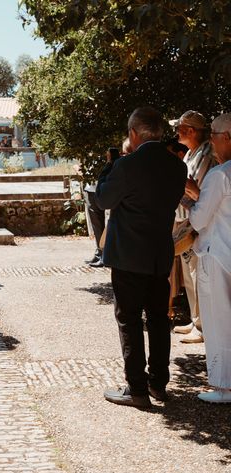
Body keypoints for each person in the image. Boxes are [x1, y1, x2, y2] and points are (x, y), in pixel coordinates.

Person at [97, 107, 186, 408]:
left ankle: (136, 389)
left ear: (133, 134)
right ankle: (159, 384)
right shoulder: (177, 167)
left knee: (130, 320)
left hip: (128, 255)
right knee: (160, 321)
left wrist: (109, 168)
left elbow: (103, 199)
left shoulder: (127, 166)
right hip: (160, 253)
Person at [185, 113, 231, 403]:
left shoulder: (220, 174)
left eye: (213, 134)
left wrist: (191, 199)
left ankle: (223, 385)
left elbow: (200, 220)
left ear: (226, 137)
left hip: (217, 254)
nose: (210, 139)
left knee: (218, 321)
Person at [171, 110, 216, 344]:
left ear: (191, 131)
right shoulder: (191, 153)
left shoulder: (206, 154)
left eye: (179, 127)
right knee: (190, 273)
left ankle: (202, 324)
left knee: (198, 273)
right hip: (186, 219)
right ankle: (195, 318)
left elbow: (196, 189)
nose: (176, 132)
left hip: (196, 221)